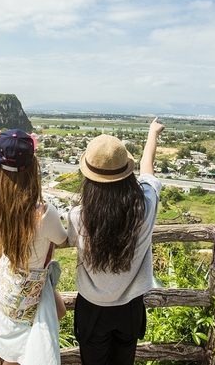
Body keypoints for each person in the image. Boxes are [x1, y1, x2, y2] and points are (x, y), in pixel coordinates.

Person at [0, 129, 68, 365]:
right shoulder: (44, 214)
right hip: (32, 289)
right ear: (33, 168)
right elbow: (62, 240)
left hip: (8, 286)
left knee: (12, 345)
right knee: (52, 316)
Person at [67, 117, 165, 365]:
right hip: (130, 307)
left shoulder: (79, 216)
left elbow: (66, 240)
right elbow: (147, 169)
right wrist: (152, 133)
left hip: (92, 309)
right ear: (126, 171)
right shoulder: (144, 206)